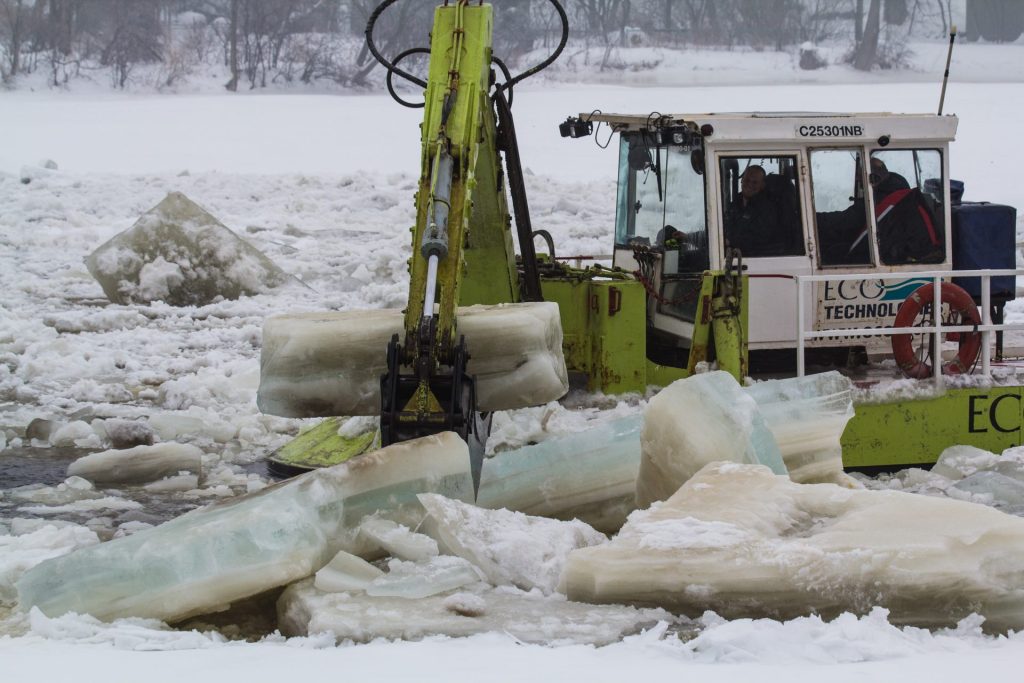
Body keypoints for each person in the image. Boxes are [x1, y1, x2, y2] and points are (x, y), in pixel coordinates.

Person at [724, 165, 784, 256]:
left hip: (753, 260)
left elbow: (757, 238)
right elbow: (725, 225)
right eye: (747, 180)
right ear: (741, 180)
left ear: (762, 185)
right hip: (730, 255)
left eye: (755, 182)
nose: (750, 184)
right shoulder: (735, 203)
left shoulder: (767, 209)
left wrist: (729, 241)